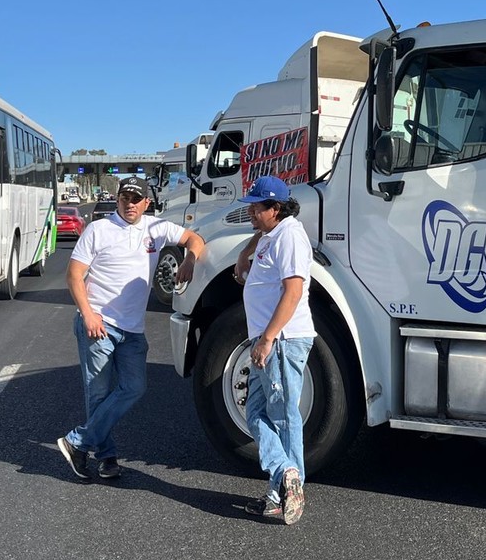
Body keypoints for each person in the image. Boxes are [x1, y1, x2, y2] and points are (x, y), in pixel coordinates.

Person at [56, 175, 205, 481]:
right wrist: (88, 314)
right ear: (118, 199)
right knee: (98, 394)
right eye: (125, 198)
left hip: (132, 330)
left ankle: (77, 442)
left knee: (134, 388)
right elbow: (74, 275)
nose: (130, 204)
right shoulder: (99, 229)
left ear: (147, 202)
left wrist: (190, 260)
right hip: (99, 324)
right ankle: (107, 456)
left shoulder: (157, 228)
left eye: (136, 199)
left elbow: (195, 239)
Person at [233, 175, 315, 524]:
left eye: (256, 205)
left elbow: (293, 292)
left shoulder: (290, 236)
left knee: (281, 416)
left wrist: (268, 338)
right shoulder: (272, 234)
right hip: (268, 340)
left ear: (275, 208)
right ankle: (281, 486)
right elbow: (260, 237)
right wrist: (243, 254)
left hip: (281, 341)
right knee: (257, 413)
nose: (250, 210)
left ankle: (285, 480)